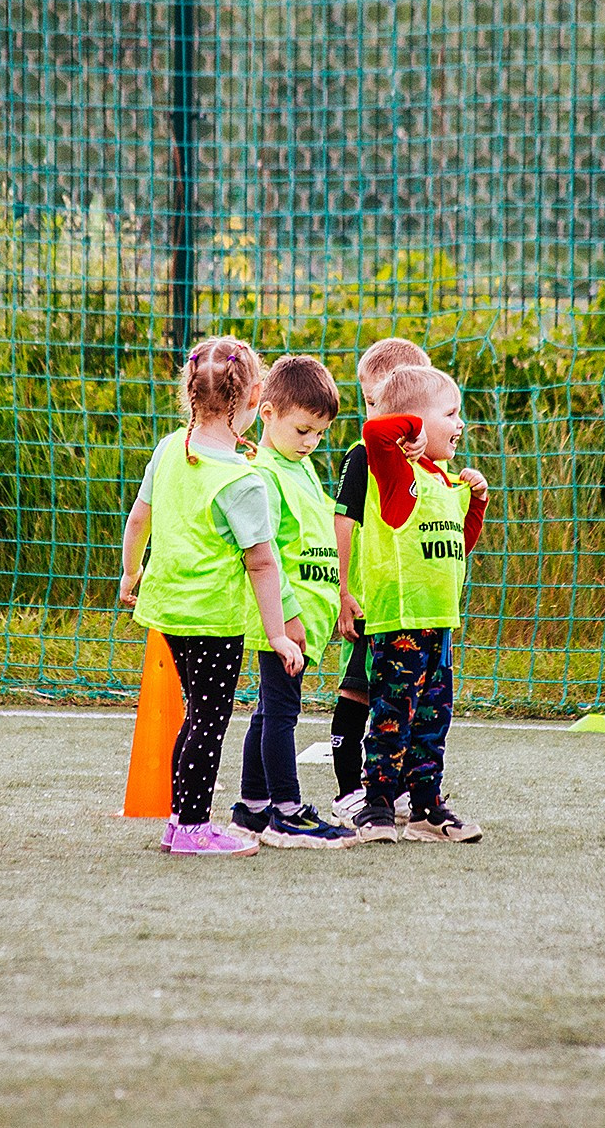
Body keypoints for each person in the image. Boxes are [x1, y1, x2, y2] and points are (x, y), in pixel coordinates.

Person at [118, 336, 305, 858]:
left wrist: (129, 575)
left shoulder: (169, 449)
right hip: (212, 618)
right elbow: (262, 562)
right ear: (251, 401)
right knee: (209, 719)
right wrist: (275, 632)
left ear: (190, 391)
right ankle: (192, 827)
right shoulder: (242, 480)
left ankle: (181, 821)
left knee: (196, 713)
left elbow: (138, 519)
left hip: (168, 610)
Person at [347, 365, 490, 844]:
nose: (460, 424)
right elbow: (374, 430)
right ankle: (378, 806)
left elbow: (459, 546)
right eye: (450, 414)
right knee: (393, 714)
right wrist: (409, 429)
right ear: (415, 422)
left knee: (433, 718)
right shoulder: (392, 470)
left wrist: (477, 504)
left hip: (440, 623)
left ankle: (427, 807)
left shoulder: (447, 481)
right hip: (400, 621)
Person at [227, 355, 360, 849]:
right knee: (282, 712)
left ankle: (252, 808)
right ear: (267, 413)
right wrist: (288, 615)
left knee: (269, 708)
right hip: (283, 619)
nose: (310, 442)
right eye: (303, 429)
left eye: (320, 434)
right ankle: (287, 811)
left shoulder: (301, 469)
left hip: (306, 617)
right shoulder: (263, 473)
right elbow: (266, 555)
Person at [328, 337, 434, 818]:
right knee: (359, 687)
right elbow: (344, 523)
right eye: (367, 401)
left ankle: (404, 786)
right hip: (373, 601)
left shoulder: (431, 463)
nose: (371, 413)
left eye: (379, 403)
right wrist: (345, 591)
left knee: (408, 695)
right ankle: (349, 788)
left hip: (412, 605)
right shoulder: (362, 453)